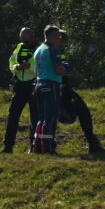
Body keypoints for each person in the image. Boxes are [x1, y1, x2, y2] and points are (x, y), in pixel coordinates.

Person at [48, 26, 105, 157]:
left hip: (64, 86)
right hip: (59, 87)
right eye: (62, 43)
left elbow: (67, 66)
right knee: (76, 112)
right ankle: (92, 144)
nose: (63, 47)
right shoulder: (52, 51)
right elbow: (61, 68)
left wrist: (67, 68)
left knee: (81, 111)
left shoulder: (58, 51)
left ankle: (92, 144)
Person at [0, 26, 40, 152]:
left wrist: (29, 66)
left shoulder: (39, 48)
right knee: (13, 116)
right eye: (22, 40)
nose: (24, 43)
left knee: (35, 117)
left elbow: (39, 63)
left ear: (33, 37)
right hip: (20, 85)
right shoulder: (19, 46)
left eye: (26, 40)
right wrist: (16, 67)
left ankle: (34, 146)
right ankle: (8, 147)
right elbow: (11, 61)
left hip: (33, 84)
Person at [27, 26, 63, 155]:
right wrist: (67, 70)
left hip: (39, 84)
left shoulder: (39, 50)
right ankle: (48, 147)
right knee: (51, 118)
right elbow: (59, 69)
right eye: (58, 36)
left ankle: (37, 146)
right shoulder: (53, 50)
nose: (60, 39)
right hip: (52, 84)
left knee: (41, 118)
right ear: (53, 36)